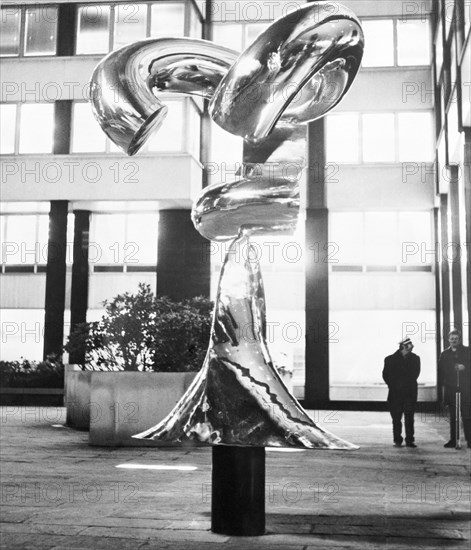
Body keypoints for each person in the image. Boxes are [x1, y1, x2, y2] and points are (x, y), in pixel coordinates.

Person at [383, 337, 421, 448]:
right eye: (410, 344)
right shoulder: (389, 359)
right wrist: (394, 386)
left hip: (409, 393)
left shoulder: (415, 358)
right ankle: (397, 440)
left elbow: (415, 374)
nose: (412, 346)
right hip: (396, 393)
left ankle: (409, 440)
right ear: (403, 346)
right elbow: (386, 375)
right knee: (396, 417)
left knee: (409, 417)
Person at [438, 330, 471, 448]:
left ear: (460, 339)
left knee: (467, 416)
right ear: (448, 340)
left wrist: (465, 367)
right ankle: (453, 440)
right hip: (451, 389)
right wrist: (453, 369)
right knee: (453, 417)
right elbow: (441, 370)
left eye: (456, 338)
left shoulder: (467, 351)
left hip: (466, 389)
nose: (454, 341)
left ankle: (469, 440)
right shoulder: (444, 354)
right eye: (452, 338)